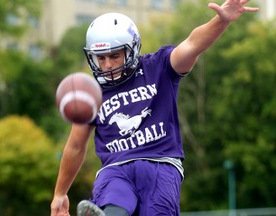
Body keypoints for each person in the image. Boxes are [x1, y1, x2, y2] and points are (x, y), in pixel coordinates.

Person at [50, 1, 259, 215]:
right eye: (100, 58)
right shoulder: (92, 93)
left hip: (161, 163)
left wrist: (221, 21)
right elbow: (75, 146)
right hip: (116, 169)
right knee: (114, 202)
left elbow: (193, 44)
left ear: (131, 49)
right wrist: (59, 193)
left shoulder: (158, 67)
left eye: (114, 56)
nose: (107, 65)